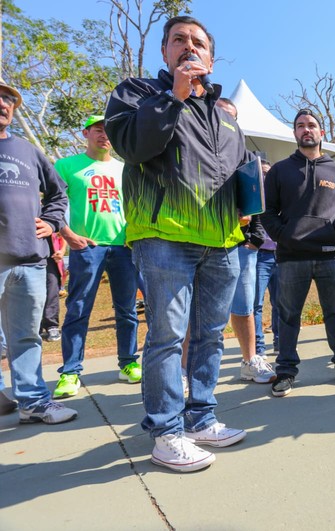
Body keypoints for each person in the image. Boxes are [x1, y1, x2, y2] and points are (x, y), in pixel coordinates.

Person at [105, 15, 248, 472]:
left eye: (199, 43)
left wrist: (249, 202)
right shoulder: (140, 93)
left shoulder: (225, 116)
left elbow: (237, 170)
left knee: (208, 335)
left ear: (211, 56)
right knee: (167, 337)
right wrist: (174, 97)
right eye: (179, 41)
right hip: (164, 235)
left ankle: (201, 418)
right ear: (165, 51)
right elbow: (133, 146)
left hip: (222, 241)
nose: (189, 48)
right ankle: (166, 433)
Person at [262, 109, 335, 397]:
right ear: (294, 133)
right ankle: (286, 371)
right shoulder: (280, 171)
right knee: (288, 315)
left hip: (332, 255)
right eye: (301, 126)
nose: (307, 130)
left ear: (322, 133)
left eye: (312, 125)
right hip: (292, 258)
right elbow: (267, 213)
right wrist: (285, 236)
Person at [0, 81, 77, 424]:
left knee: (26, 335)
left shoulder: (28, 150)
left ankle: (33, 402)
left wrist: (51, 222)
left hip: (31, 260)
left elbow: (59, 194)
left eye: (8, 99)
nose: (3, 103)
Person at [52, 115, 141, 399]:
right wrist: (67, 234)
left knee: (126, 309)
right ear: (86, 134)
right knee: (78, 309)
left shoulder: (125, 168)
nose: (104, 136)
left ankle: (128, 363)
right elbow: (51, 202)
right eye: (99, 130)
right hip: (86, 248)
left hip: (123, 247)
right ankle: (70, 372)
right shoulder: (66, 166)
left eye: (109, 131)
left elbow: (136, 204)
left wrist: (135, 235)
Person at [217, 101, 276, 385]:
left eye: (231, 117)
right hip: (201, 242)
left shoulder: (246, 157)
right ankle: (185, 369)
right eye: (218, 113)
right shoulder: (196, 147)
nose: (224, 121)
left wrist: (254, 238)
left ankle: (250, 360)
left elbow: (257, 205)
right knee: (197, 310)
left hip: (241, 246)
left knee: (245, 306)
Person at [253, 157, 280, 358]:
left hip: (281, 255)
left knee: (281, 303)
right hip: (259, 256)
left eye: (268, 172)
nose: (265, 175)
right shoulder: (253, 196)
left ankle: (280, 342)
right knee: (256, 304)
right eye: (262, 172)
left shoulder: (281, 195)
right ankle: (259, 348)